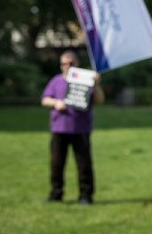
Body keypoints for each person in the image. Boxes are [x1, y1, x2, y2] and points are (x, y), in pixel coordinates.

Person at [41, 50, 104, 205]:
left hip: (80, 129)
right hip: (59, 128)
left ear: (77, 64)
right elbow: (44, 99)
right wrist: (56, 103)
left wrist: (97, 84)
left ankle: (85, 195)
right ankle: (56, 193)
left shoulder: (86, 80)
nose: (67, 66)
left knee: (84, 165)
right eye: (63, 63)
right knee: (56, 164)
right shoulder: (55, 81)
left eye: (70, 63)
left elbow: (99, 100)